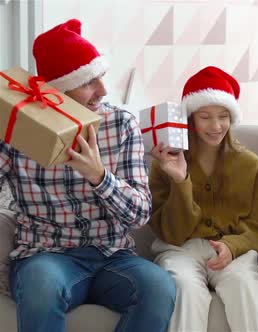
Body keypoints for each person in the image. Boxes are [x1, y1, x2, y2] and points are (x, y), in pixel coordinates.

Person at [3, 19, 176, 332]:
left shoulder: (121, 124)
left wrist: (100, 177)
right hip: (46, 255)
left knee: (159, 286)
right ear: (59, 91)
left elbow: (139, 214)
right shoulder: (17, 131)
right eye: (88, 83)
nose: (103, 91)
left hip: (114, 257)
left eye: (101, 77)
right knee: (42, 286)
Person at [148, 66, 258, 332]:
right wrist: (181, 181)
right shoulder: (165, 161)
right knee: (183, 288)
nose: (215, 126)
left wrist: (233, 246)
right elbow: (170, 232)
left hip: (233, 252)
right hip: (179, 250)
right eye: (205, 117)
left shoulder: (250, 165)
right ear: (191, 119)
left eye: (223, 117)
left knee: (247, 287)